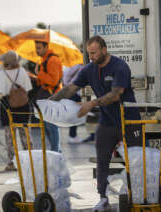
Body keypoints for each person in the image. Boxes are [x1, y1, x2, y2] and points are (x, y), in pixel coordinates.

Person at [50, 35, 141, 211]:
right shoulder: (88, 69)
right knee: (102, 160)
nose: (90, 57)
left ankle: (136, 194)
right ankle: (103, 197)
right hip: (107, 122)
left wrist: (91, 103)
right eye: (88, 54)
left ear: (104, 50)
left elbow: (116, 94)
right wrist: (49, 101)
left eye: (93, 53)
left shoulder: (119, 67)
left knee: (135, 160)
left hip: (128, 120)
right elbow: (70, 88)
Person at [0, 50, 33, 171]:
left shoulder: (2, 73)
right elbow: (28, 88)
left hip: (7, 107)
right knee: (25, 134)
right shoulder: (22, 71)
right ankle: (29, 161)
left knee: (10, 136)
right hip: (23, 106)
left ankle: (11, 162)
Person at [30, 41, 63, 152]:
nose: (37, 50)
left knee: (51, 126)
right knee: (47, 127)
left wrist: (39, 73)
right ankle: (56, 152)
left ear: (46, 47)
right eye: (36, 48)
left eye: (39, 48)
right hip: (46, 96)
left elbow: (53, 81)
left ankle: (56, 153)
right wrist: (36, 77)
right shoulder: (44, 60)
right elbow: (44, 80)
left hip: (52, 96)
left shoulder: (52, 60)